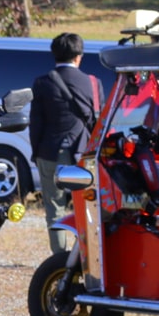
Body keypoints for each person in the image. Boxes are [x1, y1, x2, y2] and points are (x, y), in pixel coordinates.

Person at [29, 33, 102, 254]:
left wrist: (36, 152)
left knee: (55, 207)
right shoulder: (93, 83)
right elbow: (99, 122)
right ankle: (85, 255)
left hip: (50, 151)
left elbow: (36, 124)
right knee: (88, 208)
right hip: (84, 154)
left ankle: (60, 258)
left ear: (54, 55)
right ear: (79, 57)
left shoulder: (43, 82)